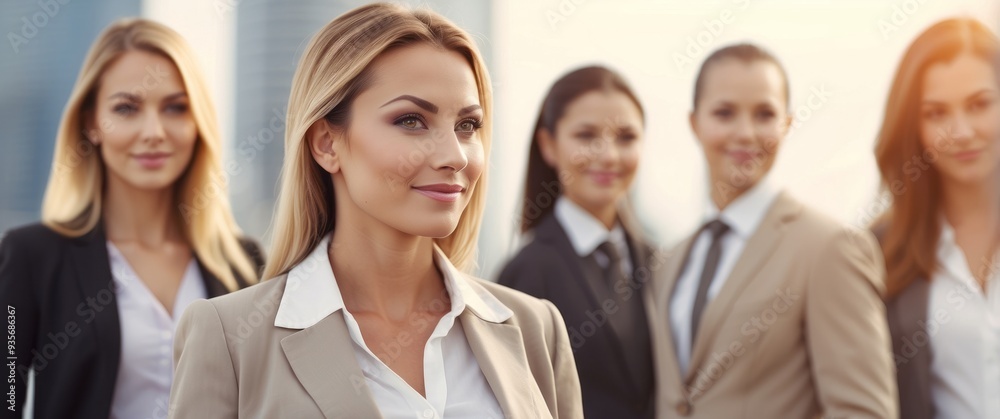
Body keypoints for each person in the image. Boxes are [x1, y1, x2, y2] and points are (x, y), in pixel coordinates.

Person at [167, 3, 582, 418]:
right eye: (411, 121)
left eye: (467, 125)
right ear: (327, 143)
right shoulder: (229, 337)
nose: (455, 155)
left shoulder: (534, 329)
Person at [0, 18, 263, 419]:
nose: (154, 131)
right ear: (91, 123)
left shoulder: (244, 264)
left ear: (198, 123)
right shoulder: (32, 256)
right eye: (127, 108)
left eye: (176, 107)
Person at [646, 43, 897, 418]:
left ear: (787, 124)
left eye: (764, 114)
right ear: (694, 123)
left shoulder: (829, 249)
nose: (745, 133)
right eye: (725, 113)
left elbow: (863, 410)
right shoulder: (669, 261)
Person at [497, 65, 657, 418]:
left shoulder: (660, 262)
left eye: (626, 137)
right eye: (586, 135)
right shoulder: (524, 274)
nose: (609, 155)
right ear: (549, 146)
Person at [873, 18, 1000, 419]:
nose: (961, 132)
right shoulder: (880, 252)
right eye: (936, 113)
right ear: (914, 126)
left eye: (980, 104)